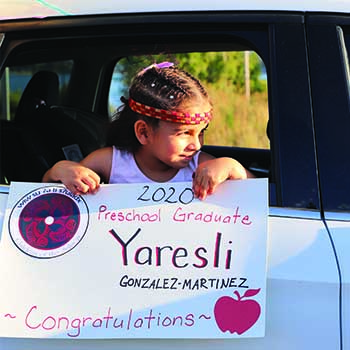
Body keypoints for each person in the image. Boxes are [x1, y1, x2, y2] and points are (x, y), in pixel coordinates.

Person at [42, 62, 254, 200]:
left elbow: (260, 200)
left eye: (200, 132)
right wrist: (60, 170)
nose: (196, 144)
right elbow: (48, 196)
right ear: (143, 132)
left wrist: (232, 167)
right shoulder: (109, 162)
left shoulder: (202, 166)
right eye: (183, 133)